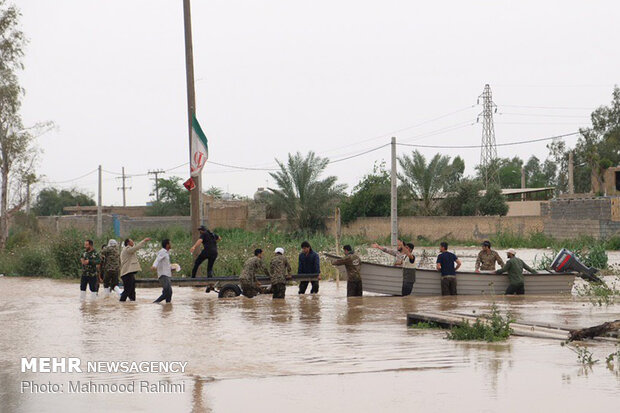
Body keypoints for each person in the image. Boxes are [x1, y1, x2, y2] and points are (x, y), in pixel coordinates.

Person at [120, 237, 150, 302]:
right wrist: (143, 241)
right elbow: (136, 248)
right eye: (132, 241)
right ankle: (122, 303)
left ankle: (132, 304)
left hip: (129, 273)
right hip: (126, 273)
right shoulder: (127, 249)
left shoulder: (128, 250)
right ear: (128, 243)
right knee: (127, 290)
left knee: (132, 290)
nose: (133, 242)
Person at [152, 239, 173, 303]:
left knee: (169, 293)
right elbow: (157, 259)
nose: (171, 245)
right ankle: (155, 303)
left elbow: (165, 264)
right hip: (163, 275)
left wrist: (172, 268)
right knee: (167, 292)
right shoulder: (163, 252)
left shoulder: (166, 253)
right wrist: (154, 265)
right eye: (170, 243)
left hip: (167, 274)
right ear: (167, 245)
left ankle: (167, 308)